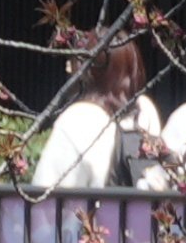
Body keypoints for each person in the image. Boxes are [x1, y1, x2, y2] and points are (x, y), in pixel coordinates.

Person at [26, 34, 154, 194]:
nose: (68, 67)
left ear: (91, 71)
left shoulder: (80, 118)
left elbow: (44, 195)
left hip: (88, 218)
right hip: (137, 218)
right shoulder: (145, 112)